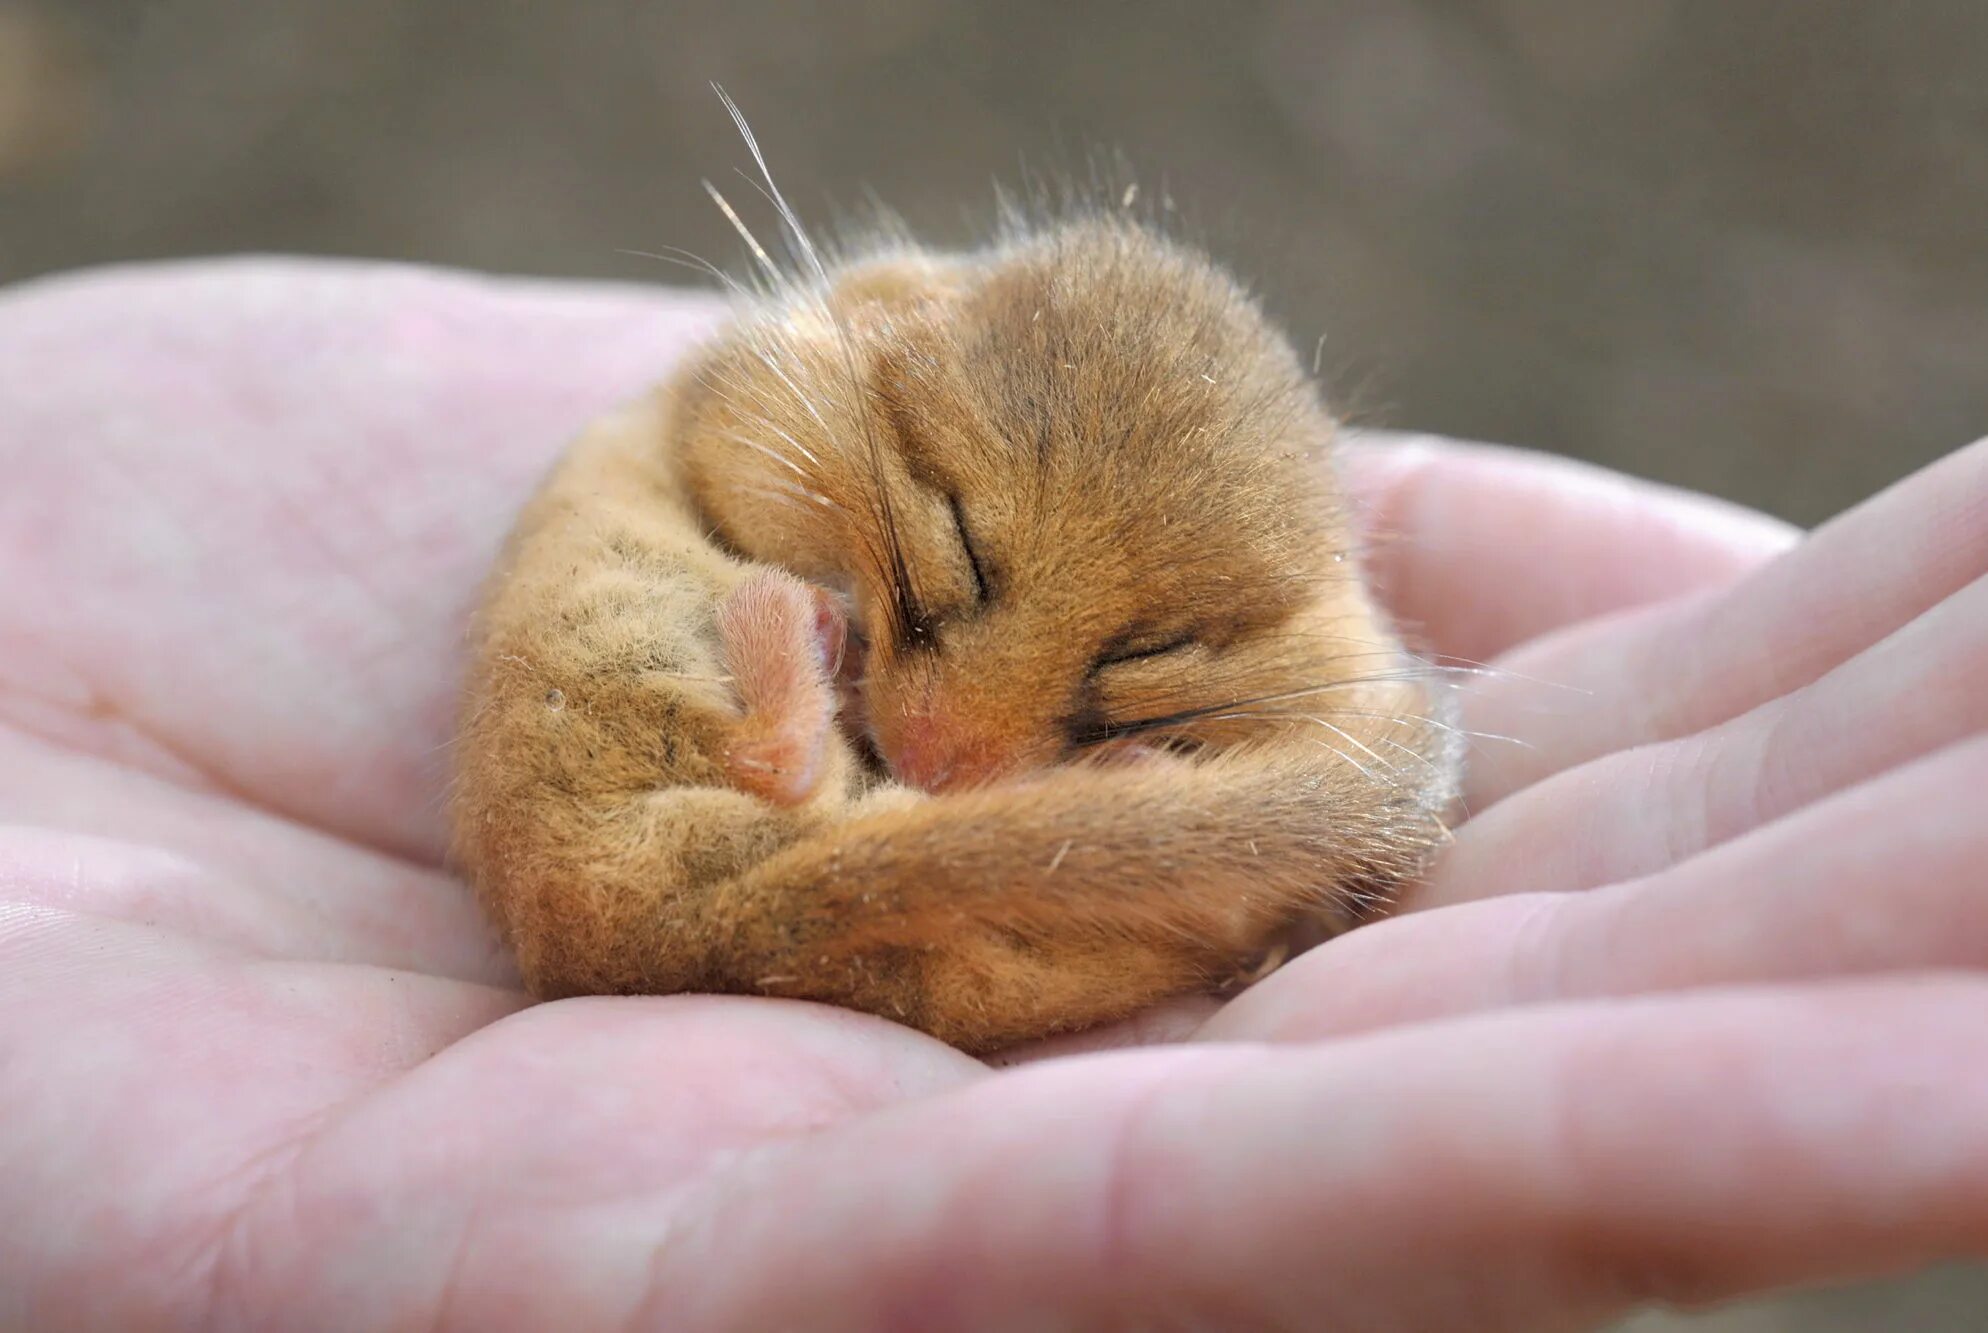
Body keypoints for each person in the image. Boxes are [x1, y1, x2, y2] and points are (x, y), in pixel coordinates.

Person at [1, 258, 1982, 1331]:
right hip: (673, 758)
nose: (956, 727)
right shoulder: (818, 374)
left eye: (1110, 702)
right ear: (888, 340)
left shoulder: (1238, 616)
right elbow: (754, 438)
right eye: (943, 578)